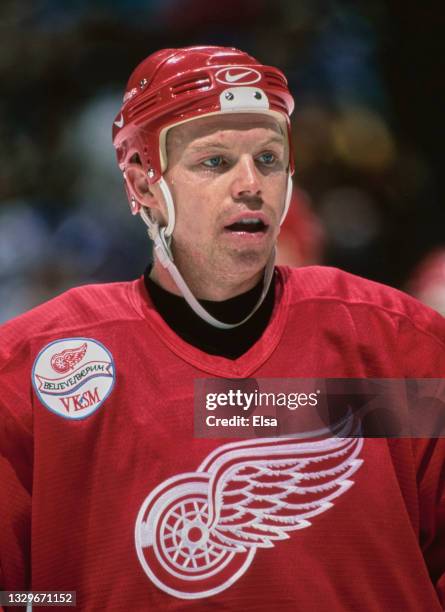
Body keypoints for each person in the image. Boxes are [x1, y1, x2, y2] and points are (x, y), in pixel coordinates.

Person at [1, 46, 444, 611]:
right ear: (141, 183)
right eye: (214, 162)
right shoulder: (31, 371)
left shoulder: (397, 345)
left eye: (268, 158)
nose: (250, 184)